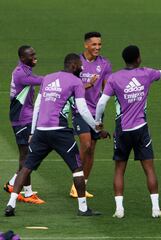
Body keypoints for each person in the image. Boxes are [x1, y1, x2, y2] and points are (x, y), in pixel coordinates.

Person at [5, 53, 102, 217]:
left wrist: (33, 132)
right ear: (72, 66)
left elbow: (37, 106)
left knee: (26, 167)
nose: (82, 67)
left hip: (41, 132)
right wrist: (97, 127)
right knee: (77, 169)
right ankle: (83, 208)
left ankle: (10, 204)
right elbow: (83, 109)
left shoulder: (48, 78)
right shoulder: (76, 81)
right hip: (60, 132)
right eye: (80, 65)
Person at [95, 45, 161, 218]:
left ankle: (119, 210)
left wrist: (98, 123)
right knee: (149, 168)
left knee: (120, 169)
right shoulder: (146, 73)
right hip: (141, 129)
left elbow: (101, 103)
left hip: (122, 130)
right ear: (138, 59)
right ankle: (156, 209)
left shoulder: (114, 78)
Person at [70, 32, 112, 198]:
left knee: (92, 149)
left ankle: (82, 185)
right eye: (94, 44)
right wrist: (88, 84)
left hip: (97, 111)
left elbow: (107, 87)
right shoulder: (76, 62)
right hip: (80, 109)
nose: (97, 47)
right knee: (86, 144)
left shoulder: (105, 64)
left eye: (99, 44)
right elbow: (71, 85)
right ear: (86, 45)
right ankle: (76, 181)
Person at [5, 45, 45, 204]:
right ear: (23, 58)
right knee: (27, 155)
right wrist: (61, 78)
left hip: (23, 117)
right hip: (22, 118)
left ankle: (19, 187)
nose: (35, 57)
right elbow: (42, 81)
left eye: (34, 53)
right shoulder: (21, 73)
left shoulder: (24, 69)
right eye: (31, 55)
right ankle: (24, 192)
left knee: (27, 154)